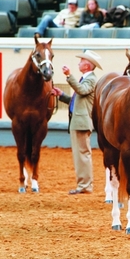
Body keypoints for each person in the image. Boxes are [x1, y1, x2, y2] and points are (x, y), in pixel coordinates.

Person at [52, 50, 103, 195]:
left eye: (81, 61)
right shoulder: (87, 79)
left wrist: (69, 75)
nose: (79, 63)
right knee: (80, 154)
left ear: (87, 65)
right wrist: (62, 96)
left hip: (81, 122)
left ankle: (85, 185)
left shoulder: (90, 79)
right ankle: (84, 184)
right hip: (79, 121)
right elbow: (77, 100)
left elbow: (81, 90)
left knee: (82, 154)